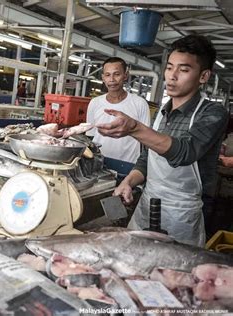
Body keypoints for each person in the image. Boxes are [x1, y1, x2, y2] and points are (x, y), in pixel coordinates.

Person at [97, 35, 228, 247]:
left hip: (183, 213)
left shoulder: (213, 113)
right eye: (169, 68)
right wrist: (128, 182)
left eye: (183, 70)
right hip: (149, 202)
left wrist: (135, 128)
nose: (172, 76)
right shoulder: (161, 112)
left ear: (203, 76)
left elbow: (185, 152)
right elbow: (148, 155)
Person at [86, 57, 151, 164]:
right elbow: (90, 135)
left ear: (125, 75)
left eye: (116, 74)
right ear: (103, 77)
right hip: (99, 162)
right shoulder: (95, 103)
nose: (112, 79)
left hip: (128, 164)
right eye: (107, 75)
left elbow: (146, 138)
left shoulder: (139, 103)